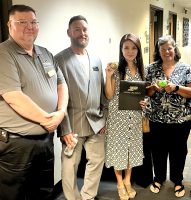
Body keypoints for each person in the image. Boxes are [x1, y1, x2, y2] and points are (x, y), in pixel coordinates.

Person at [0, 4, 68, 200]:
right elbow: (13, 96)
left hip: (45, 141)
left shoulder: (45, 53)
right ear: (9, 25)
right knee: (14, 195)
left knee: (44, 192)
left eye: (33, 22)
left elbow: (61, 84)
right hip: (17, 145)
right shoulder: (4, 54)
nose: (29, 26)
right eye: (22, 22)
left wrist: (61, 112)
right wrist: (49, 119)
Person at [54, 15, 107, 200]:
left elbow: (101, 92)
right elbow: (57, 98)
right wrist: (64, 129)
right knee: (69, 167)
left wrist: (104, 118)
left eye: (84, 29)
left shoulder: (96, 60)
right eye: (77, 29)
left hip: (96, 122)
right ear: (69, 32)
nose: (82, 33)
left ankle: (88, 196)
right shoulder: (59, 60)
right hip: (72, 126)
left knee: (97, 161)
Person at [146, 35, 191, 198]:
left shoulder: (185, 68)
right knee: (158, 150)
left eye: (169, 48)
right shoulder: (151, 68)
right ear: (158, 51)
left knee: (178, 150)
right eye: (163, 49)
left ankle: (177, 180)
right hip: (157, 118)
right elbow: (145, 91)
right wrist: (154, 89)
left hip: (181, 119)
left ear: (175, 49)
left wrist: (176, 87)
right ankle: (159, 178)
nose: (167, 52)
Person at [105, 33, 145, 200]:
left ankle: (128, 181)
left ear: (138, 50)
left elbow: (143, 94)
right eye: (126, 47)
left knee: (130, 150)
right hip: (118, 119)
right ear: (121, 49)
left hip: (134, 118)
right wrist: (108, 76)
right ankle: (120, 183)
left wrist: (144, 103)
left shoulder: (143, 70)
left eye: (133, 48)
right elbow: (108, 95)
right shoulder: (116, 70)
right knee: (118, 150)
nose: (130, 51)